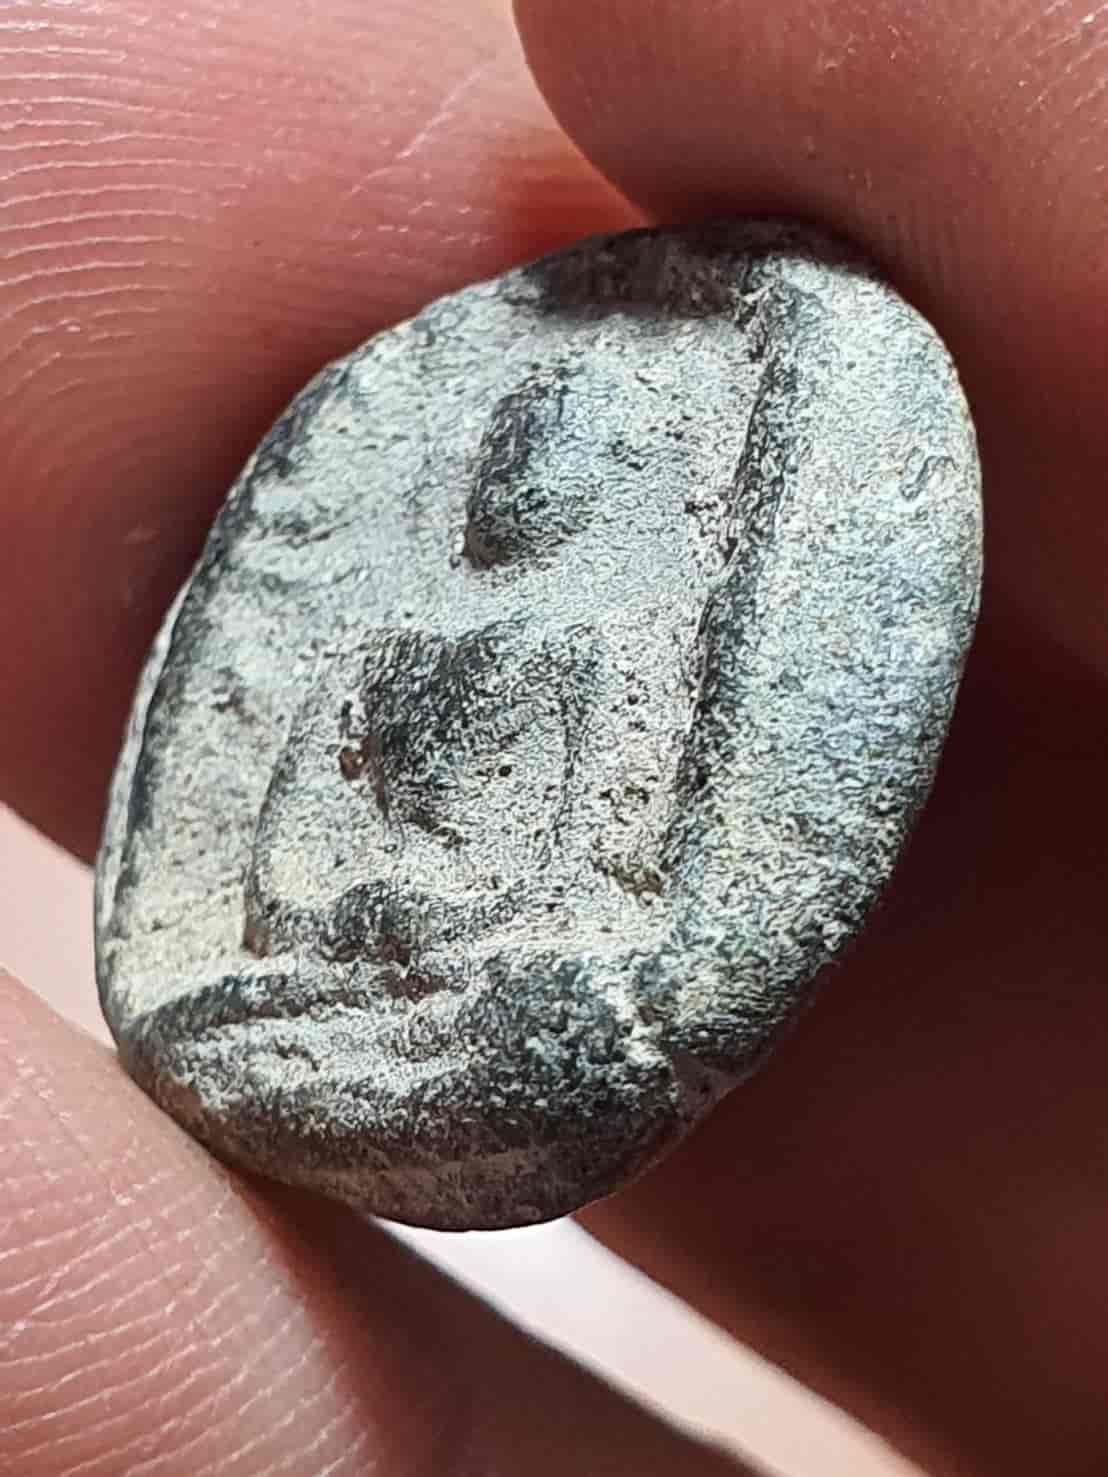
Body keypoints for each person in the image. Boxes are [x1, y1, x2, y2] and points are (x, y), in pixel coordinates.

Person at [0, 1, 1103, 1473]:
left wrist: (476, 933)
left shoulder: (596, 638)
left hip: (497, 952)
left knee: (559, 1026)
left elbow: (602, 850)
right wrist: (341, 917)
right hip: (361, 942)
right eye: (517, 444)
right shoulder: (396, 615)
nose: (521, 470)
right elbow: (297, 838)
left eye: (571, 444)